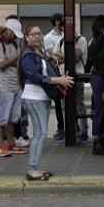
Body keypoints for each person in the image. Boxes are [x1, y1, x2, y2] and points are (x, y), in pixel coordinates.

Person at [20, 24, 75, 181]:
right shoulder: (28, 55)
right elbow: (34, 76)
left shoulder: (39, 53)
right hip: (33, 97)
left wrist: (59, 77)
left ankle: (35, 167)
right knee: (40, 134)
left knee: (40, 133)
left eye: (39, 33)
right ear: (26, 37)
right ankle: (32, 169)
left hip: (41, 98)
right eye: (33, 34)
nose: (37, 36)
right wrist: (58, 80)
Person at [0, 20, 26, 158]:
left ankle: (11, 144)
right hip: (4, 85)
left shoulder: (14, 43)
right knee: (2, 117)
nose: (15, 37)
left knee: (13, 117)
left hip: (16, 84)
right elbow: (0, 65)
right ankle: (1, 146)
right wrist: (16, 57)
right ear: (7, 31)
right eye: (13, 34)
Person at [86, 15, 104, 156]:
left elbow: (88, 62)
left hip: (96, 77)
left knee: (100, 110)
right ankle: (98, 141)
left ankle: (100, 139)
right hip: (102, 77)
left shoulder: (93, 41)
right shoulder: (103, 40)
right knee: (101, 110)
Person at [43, 14, 68, 142]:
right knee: (58, 101)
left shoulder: (67, 34)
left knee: (71, 101)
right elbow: (53, 55)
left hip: (67, 70)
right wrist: (66, 55)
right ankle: (61, 128)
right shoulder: (48, 37)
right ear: (57, 22)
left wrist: (62, 56)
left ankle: (71, 127)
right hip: (56, 72)